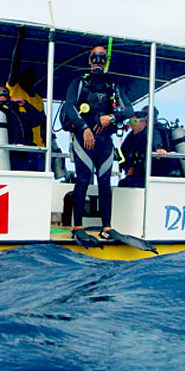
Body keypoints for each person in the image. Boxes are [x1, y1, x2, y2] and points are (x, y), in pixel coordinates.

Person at [61, 45, 134, 246]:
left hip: (105, 142)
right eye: (95, 58)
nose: (98, 62)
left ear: (106, 61)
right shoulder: (79, 82)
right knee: (83, 180)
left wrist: (111, 118)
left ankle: (106, 227)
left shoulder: (113, 86)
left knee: (105, 183)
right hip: (84, 140)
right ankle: (78, 227)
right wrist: (84, 127)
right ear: (89, 60)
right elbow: (69, 107)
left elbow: (129, 111)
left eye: (102, 58)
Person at [7, 26, 46, 170]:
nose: (29, 79)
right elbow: (15, 65)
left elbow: (43, 121)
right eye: (26, 76)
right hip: (20, 147)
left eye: (32, 77)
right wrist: (20, 40)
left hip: (39, 148)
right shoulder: (14, 88)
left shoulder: (38, 98)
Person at [118, 106, 177, 187]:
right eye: (129, 123)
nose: (130, 126)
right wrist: (127, 167)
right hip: (139, 173)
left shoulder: (156, 132)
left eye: (133, 122)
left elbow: (156, 138)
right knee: (122, 184)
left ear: (143, 122)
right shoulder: (131, 137)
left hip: (157, 174)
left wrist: (158, 148)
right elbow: (121, 152)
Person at [0, 86, 41, 170]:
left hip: (24, 158)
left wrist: (26, 104)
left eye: (4, 92)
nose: (1, 93)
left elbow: (39, 119)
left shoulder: (20, 116)